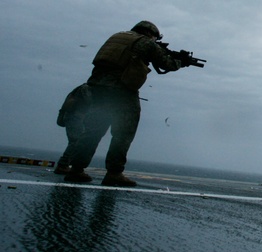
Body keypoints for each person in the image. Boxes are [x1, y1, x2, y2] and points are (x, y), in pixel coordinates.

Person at [55, 21, 193, 187]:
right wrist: (181, 61)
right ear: (151, 34)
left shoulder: (117, 37)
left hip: (97, 89)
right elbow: (167, 64)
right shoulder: (145, 42)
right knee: (123, 132)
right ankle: (114, 173)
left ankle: (76, 170)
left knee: (94, 130)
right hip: (122, 91)